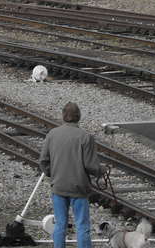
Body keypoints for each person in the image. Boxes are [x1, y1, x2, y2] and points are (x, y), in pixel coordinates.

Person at [39, 102, 103, 248]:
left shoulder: (52, 134)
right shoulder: (85, 137)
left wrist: (52, 174)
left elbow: (43, 161)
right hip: (79, 188)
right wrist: (102, 170)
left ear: (63, 116)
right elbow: (90, 165)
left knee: (60, 224)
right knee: (82, 225)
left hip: (59, 186)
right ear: (78, 117)